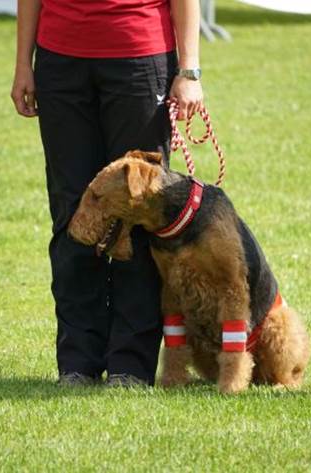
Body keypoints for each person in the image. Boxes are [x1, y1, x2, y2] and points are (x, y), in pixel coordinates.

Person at [11, 0, 203, 386]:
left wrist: (189, 69)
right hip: (59, 61)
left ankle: (130, 365)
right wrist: (22, 64)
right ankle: (78, 361)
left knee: (138, 214)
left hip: (140, 55)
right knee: (74, 213)